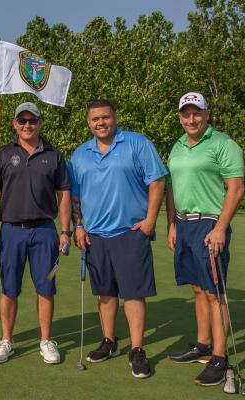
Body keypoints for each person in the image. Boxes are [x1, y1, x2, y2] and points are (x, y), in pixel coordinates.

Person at [68, 100, 167, 379]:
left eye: (105, 117)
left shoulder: (137, 143)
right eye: (95, 119)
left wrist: (150, 220)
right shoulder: (79, 155)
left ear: (115, 117)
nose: (101, 123)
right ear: (88, 123)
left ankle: (137, 350)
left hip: (130, 232)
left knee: (134, 292)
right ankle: (109, 341)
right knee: (105, 292)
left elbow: (157, 180)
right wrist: (78, 225)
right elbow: (75, 195)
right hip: (95, 234)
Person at [165, 92, 245, 386]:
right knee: (198, 288)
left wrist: (221, 227)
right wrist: (171, 223)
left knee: (214, 292)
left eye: (196, 113)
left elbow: (236, 188)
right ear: (180, 117)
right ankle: (202, 345)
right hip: (184, 224)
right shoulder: (177, 145)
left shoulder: (223, 144)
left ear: (206, 114)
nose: (191, 119)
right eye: (185, 114)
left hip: (210, 222)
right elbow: (171, 187)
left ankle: (220, 358)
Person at [0, 102, 71, 365]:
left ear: (40, 123)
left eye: (32, 121)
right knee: (9, 287)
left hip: (45, 231)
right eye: (22, 121)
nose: (27, 125)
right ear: (14, 124)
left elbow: (64, 195)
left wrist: (65, 231)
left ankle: (45, 340)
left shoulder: (53, 155)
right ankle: (7, 340)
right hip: (11, 230)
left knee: (46, 287)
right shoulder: (2, 153)